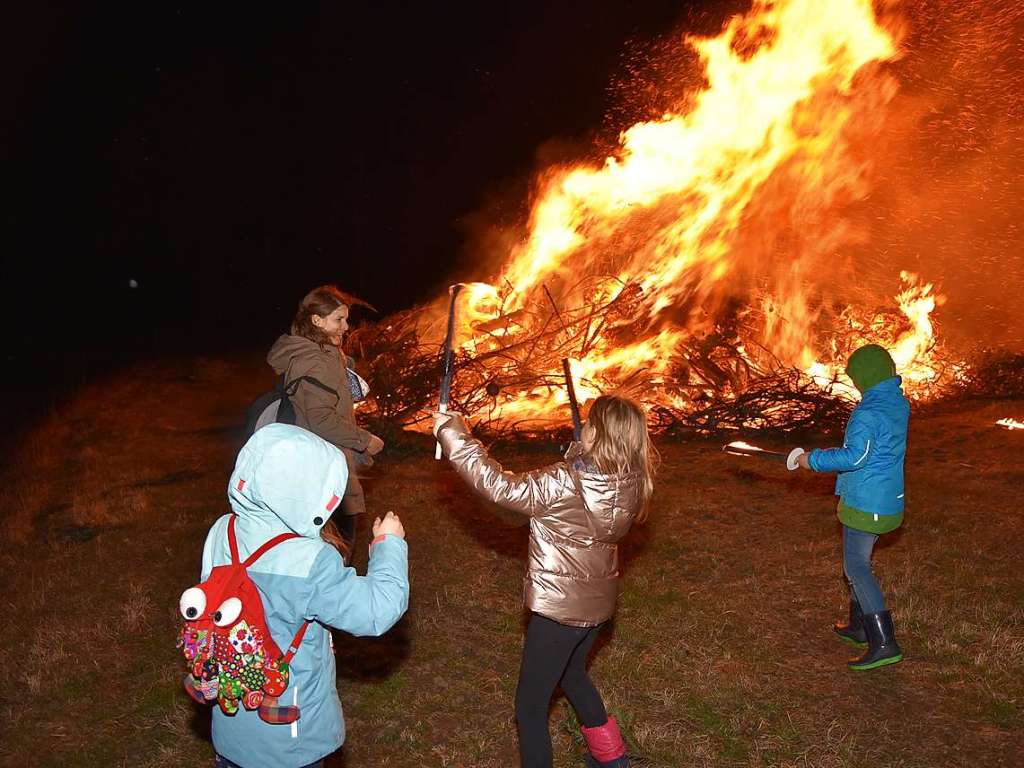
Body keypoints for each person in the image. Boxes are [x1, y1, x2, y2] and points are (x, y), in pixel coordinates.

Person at [433, 395, 655, 768]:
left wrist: (453, 433)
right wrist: (580, 452)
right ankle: (612, 758)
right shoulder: (629, 480)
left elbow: (499, 486)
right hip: (596, 608)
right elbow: (583, 482)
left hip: (558, 612)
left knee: (530, 709)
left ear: (599, 434)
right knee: (572, 674)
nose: (582, 426)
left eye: (589, 423)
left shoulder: (563, 481)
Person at [203, 423, 409, 768]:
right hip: (289, 736)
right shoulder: (309, 560)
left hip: (232, 721)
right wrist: (389, 545)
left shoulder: (222, 531)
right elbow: (376, 611)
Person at [794, 343, 908, 670]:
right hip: (887, 498)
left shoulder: (867, 413)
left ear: (863, 378)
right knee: (857, 562)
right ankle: (859, 627)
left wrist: (810, 459)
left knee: (856, 568)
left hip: (866, 502)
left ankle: (884, 642)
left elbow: (855, 457)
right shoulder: (897, 404)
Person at [267, 285, 384, 554]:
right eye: (338, 320)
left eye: (345, 318)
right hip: (321, 467)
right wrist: (364, 441)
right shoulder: (314, 361)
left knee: (325, 543)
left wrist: (346, 368)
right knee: (337, 544)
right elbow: (320, 419)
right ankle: (332, 588)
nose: (346, 326)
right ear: (316, 321)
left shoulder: (321, 351)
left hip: (321, 459)